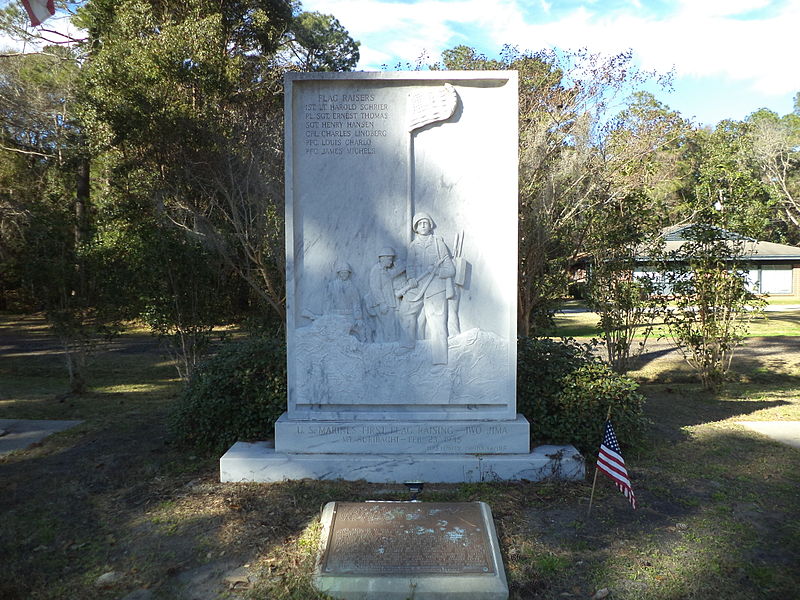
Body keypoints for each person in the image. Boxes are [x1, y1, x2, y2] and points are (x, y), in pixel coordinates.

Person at [399, 212, 456, 365]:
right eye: (420, 223)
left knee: (437, 323)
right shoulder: (413, 246)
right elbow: (410, 266)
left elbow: (450, 270)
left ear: (430, 225)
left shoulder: (438, 244)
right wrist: (411, 278)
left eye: (426, 223)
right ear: (416, 228)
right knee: (405, 311)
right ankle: (407, 345)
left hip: (436, 288)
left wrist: (436, 271)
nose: (423, 225)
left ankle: (440, 361)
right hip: (417, 286)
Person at [366, 247, 405, 342]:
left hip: (390, 302)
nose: (391, 262)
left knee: (389, 326)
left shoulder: (385, 270)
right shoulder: (376, 270)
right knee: (389, 327)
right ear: (383, 258)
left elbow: (393, 275)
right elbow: (375, 288)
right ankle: (390, 348)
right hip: (383, 303)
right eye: (390, 259)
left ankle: (387, 347)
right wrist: (382, 303)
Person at [325, 261, 365, 341]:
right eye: (342, 273)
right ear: (338, 273)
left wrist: (358, 318)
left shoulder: (352, 288)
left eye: (346, 273)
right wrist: (326, 315)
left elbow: (356, 304)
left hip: (349, 316)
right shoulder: (332, 286)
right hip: (335, 316)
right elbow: (328, 302)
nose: (344, 275)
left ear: (349, 274)